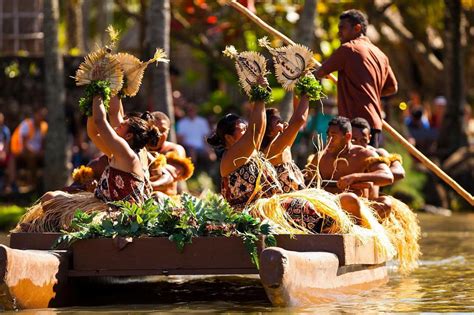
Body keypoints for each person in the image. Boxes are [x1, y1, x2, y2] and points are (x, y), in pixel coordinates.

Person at [314, 9, 398, 148]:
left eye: (342, 28)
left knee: (352, 169)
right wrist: (369, 92)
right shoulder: (381, 55)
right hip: (374, 126)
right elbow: (392, 88)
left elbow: (319, 72)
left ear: (357, 28)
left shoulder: (348, 49)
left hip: (354, 127)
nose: (338, 33)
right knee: (369, 167)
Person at [305, 116, 394, 220]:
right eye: (328, 136)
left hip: (357, 214)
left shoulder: (365, 155)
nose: (329, 140)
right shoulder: (320, 157)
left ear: (347, 136)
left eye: (333, 136)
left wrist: (355, 177)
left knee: (385, 203)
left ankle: (364, 230)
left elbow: (388, 176)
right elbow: (307, 182)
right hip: (325, 210)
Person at [351, 117, 405, 218]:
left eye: (363, 140)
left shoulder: (378, 153)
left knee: (385, 202)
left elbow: (400, 173)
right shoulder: (343, 154)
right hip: (349, 205)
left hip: (371, 206)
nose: (358, 144)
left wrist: (367, 175)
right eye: (354, 140)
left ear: (369, 138)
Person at [261, 94, 310, 192]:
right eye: (278, 122)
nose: (284, 124)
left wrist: (297, 85)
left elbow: (297, 114)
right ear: (270, 132)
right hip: (286, 202)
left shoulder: (284, 146)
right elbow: (299, 119)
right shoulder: (274, 148)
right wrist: (307, 93)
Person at [148, 111, 194, 196]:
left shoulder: (175, 149)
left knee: (157, 196)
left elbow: (173, 172)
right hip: (138, 199)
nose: (158, 134)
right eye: (153, 129)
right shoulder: (138, 148)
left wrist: (150, 185)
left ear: (168, 131)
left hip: (166, 200)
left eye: (162, 130)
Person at [9, 108, 48, 191]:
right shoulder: (27, 124)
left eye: (43, 116)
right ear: (35, 114)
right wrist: (36, 152)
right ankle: (31, 183)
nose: (41, 117)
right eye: (40, 115)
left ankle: (39, 183)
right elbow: (24, 145)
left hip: (37, 153)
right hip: (22, 152)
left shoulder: (44, 126)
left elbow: (44, 143)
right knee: (32, 157)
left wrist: (41, 152)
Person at [0, 112, 11, 193]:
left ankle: (8, 185)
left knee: (10, 160)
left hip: (3, 153)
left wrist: (4, 153)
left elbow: (7, 144)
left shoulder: (5, 131)